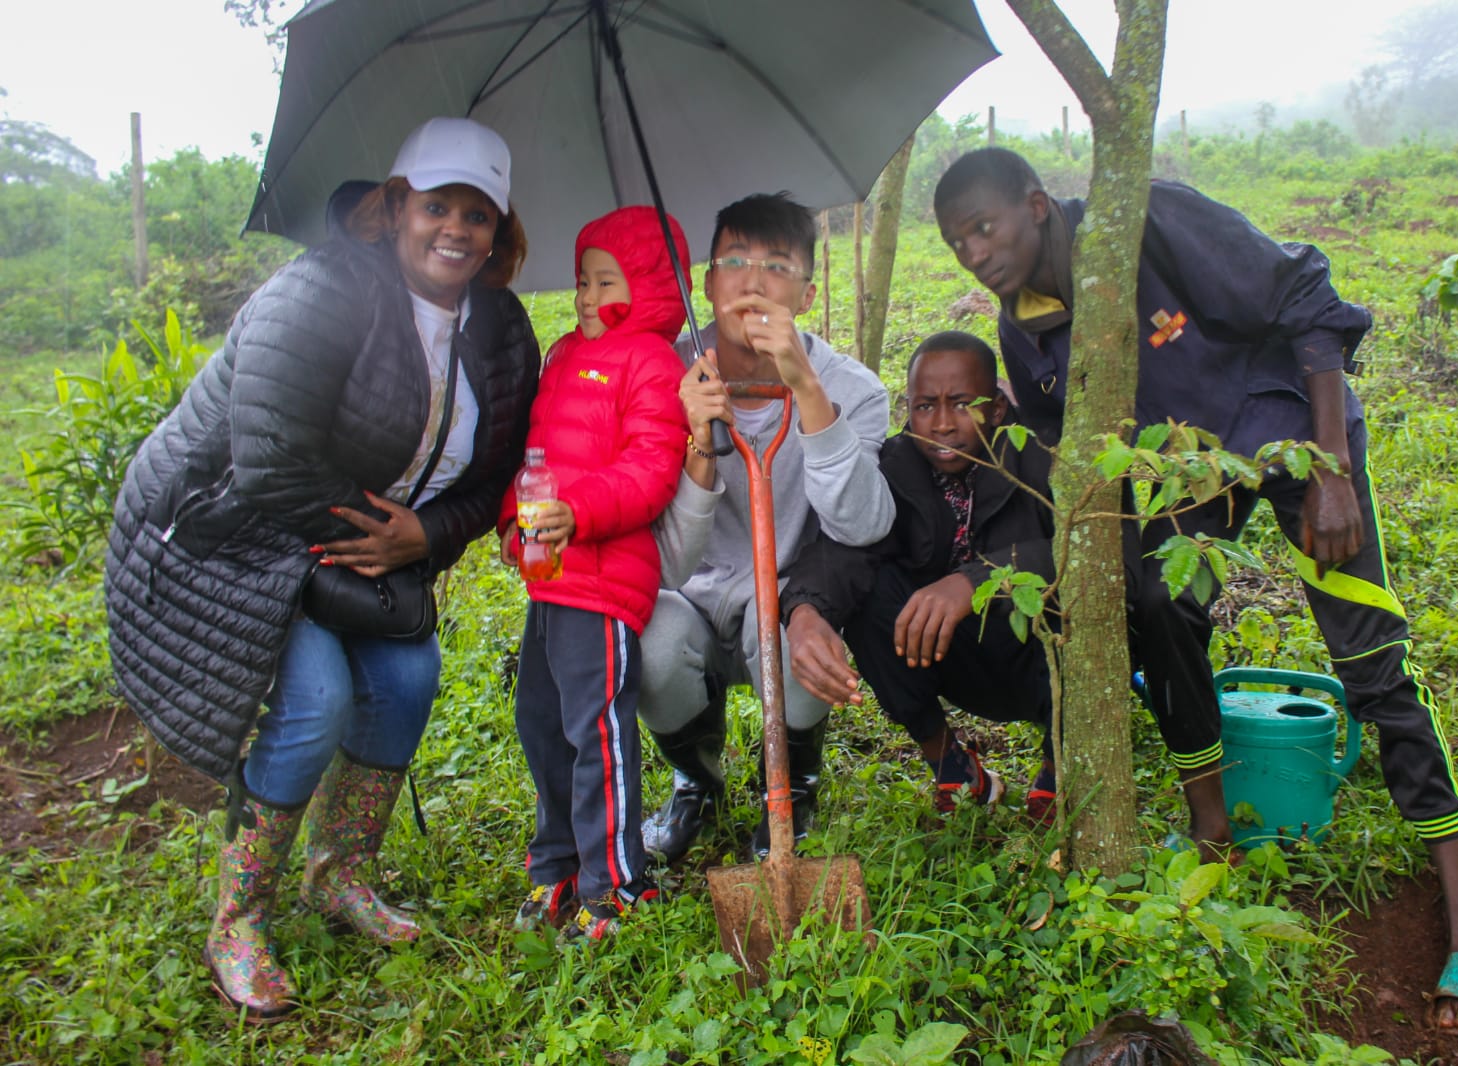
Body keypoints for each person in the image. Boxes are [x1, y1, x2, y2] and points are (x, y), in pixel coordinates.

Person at [932, 147, 1458, 1035]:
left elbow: (1305, 300)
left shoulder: (1150, 220)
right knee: (1156, 607)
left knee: (1369, 657)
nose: (974, 252)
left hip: (1286, 434)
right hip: (1186, 481)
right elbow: (1066, 439)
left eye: (984, 226)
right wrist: (1006, 454)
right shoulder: (1025, 324)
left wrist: (1330, 469)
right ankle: (1213, 827)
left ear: (1038, 206)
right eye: (956, 241)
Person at [104, 117, 539, 1022]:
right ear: (395, 207)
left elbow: (496, 469)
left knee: (411, 674)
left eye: (478, 213)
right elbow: (263, 460)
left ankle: (339, 874)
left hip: (363, 547)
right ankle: (239, 917)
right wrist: (377, 536)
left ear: (500, 229)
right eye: (435, 207)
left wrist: (423, 536)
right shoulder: (321, 291)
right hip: (237, 532)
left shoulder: (500, 327)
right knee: (314, 703)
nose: (455, 229)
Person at [638, 192, 895, 865]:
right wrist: (694, 439)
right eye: (734, 261)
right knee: (652, 643)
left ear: (806, 294)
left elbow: (861, 523)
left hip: (777, 593)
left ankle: (795, 786)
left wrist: (807, 389)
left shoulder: (855, 387)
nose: (753, 282)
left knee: (790, 633)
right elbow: (665, 567)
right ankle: (697, 778)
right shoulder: (661, 374)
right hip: (687, 593)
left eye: (777, 266)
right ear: (707, 283)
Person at [496, 206, 691, 940]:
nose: (584, 297)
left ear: (646, 287)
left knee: (594, 730)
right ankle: (558, 864)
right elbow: (539, 452)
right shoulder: (563, 355)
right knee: (539, 721)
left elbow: (649, 470)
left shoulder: (652, 362)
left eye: (604, 281)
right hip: (549, 571)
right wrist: (513, 517)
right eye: (582, 280)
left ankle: (616, 885)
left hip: (605, 575)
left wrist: (577, 512)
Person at [780, 331, 1061, 820]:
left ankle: (1060, 764)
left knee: (1085, 599)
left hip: (1039, 656)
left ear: (996, 409)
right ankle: (951, 763)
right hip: (950, 655)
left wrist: (975, 579)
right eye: (925, 407)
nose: (943, 425)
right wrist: (804, 608)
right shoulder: (898, 464)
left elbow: (1098, 555)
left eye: (962, 405)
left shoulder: (1041, 457)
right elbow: (850, 550)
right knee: (867, 598)